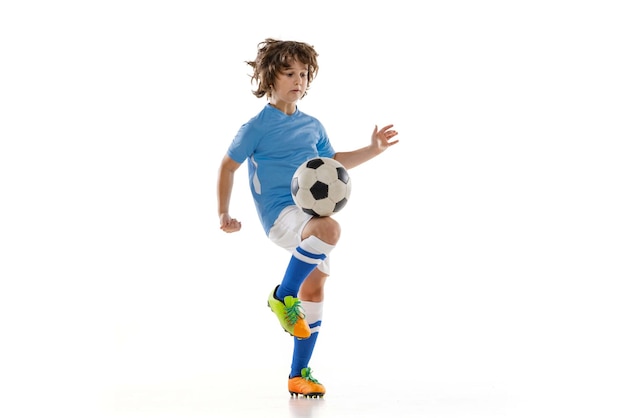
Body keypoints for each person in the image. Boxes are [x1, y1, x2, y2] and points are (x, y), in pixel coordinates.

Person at [217, 38, 399, 398]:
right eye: (289, 73)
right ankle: (282, 296)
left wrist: (373, 150)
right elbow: (227, 166)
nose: (298, 80)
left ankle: (298, 375)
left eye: (303, 74)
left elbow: (332, 164)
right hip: (280, 213)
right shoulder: (256, 127)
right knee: (330, 228)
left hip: (309, 213)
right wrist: (223, 212)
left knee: (315, 288)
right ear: (269, 78)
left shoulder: (313, 125)